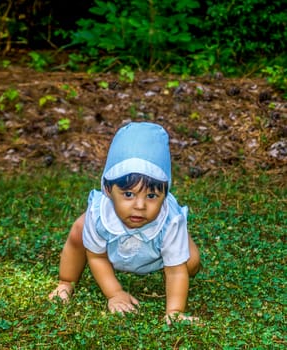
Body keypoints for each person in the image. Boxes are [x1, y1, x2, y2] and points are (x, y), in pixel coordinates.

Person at [49, 122, 201, 324]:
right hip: (110, 250)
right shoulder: (100, 215)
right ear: (108, 189)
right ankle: (65, 282)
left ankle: (176, 248)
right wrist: (115, 293)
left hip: (156, 252)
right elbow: (97, 257)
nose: (140, 205)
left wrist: (174, 311)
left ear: (165, 194)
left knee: (189, 263)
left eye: (152, 195)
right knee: (79, 229)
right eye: (128, 194)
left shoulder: (169, 221)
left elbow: (176, 271)